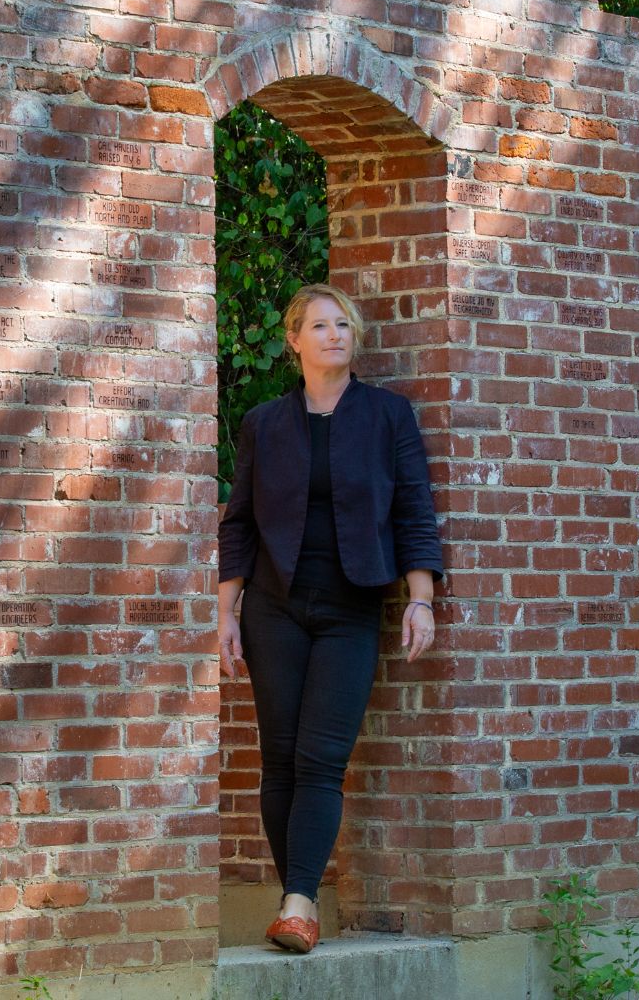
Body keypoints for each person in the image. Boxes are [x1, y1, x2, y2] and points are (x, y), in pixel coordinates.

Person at [216, 282, 443, 953]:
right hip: (274, 608)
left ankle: (298, 901)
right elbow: (241, 525)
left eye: (343, 324)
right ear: (294, 340)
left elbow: (414, 511)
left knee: (321, 756)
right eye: (319, 326)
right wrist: (226, 612)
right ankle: (300, 903)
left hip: (351, 606)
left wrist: (421, 597)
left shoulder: (387, 417)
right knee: (280, 758)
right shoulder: (264, 423)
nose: (334, 335)